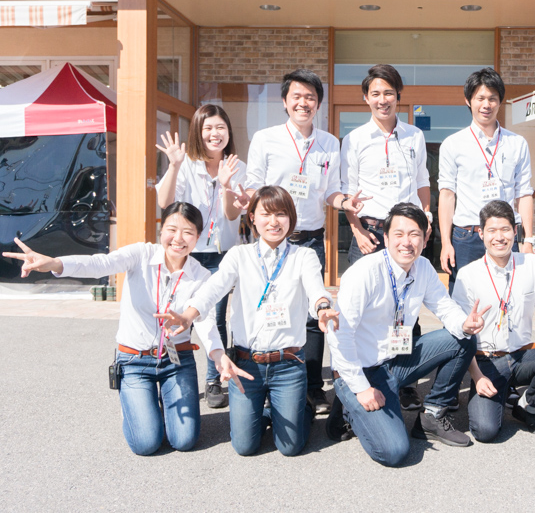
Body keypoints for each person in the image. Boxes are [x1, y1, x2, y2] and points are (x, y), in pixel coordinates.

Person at [3, 202, 250, 456]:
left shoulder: (201, 275)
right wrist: (55, 263)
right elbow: (100, 264)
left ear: (198, 237)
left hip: (177, 360)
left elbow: (205, 320)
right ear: (161, 230)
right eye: (172, 229)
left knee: (184, 440)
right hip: (134, 360)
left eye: (188, 232)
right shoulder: (140, 254)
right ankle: (137, 406)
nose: (178, 239)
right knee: (146, 443)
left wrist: (218, 355)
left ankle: (153, 406)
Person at [157, 186, 338, 457]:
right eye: (266, 214)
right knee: (244, 446)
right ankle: (272, 412)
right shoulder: (239, 255)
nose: (274, 222)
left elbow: (316, 290)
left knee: (290, 447)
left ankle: (303, 408)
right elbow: (213, 289)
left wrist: (322, 308)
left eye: (281, 214)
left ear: (291, 218)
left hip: (288, 364)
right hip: (246, 363)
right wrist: (188, 315)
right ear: (252, 217)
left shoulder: (304, 256)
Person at [243, 69, 368, 415]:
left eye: (310, 97)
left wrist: (345, 203)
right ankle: (265, 380)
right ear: (285, 102)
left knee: (314, 314)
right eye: (296, 96)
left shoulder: (329, 143)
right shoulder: (265, 139)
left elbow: (331, 191)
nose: (303, 103)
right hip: (271, 240)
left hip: (311, 239)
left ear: (318, 104)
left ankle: (312, 386)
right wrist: (247, 203)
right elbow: (254, 185)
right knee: (270, 306)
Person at [325, 203, 488, 467]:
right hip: (361, 370)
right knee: (395, 452)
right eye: (399, 234)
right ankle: (348, 407)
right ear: (385, 237)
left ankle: (432, 415)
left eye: (414, 234)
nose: (406, 242)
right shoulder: (364, 273)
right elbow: (339, 335)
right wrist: (362, 389)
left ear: (424, 239)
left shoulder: (423, 267)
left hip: (396, 361)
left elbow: (445, 308)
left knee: (462, 338)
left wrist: (465, 323)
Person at [340, 63, 431, 410]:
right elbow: (348, 191)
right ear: (366, 98)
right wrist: (357, 230)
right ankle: (357, 382)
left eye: (389, 93)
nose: (383, 100)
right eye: (376, 93)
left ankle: (405, 381)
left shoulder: (414, 136)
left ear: (398, 96)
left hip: (405, 234)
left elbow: (422, 181)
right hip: (370, 232)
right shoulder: (354, 139)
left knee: (407, 308)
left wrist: (426, 218)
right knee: (361, 312)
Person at [452, 200, 535, 442]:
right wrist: (477, 376)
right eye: (492, 230)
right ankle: (500, 391)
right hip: (486, 362)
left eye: (505, 229)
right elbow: (460, 336)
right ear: (481, 233)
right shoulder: (467, 275)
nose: (499, 237)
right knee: (485, 431)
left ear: (515, 231)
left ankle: (527, 408)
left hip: (522, 356)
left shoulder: (531, 264)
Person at [155, 104, 246, 409]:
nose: (214, 134)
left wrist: (226, 185)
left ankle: (212, 379)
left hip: (221, 256)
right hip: (186, 254)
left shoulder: (237, 166)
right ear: (198, 132)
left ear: (228, 132)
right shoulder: (186, 165)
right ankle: (172, 377)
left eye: (220, 127)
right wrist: (174, 165)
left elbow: (232, 215)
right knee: (181, 318)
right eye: (208, 128)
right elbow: (165, 202)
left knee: (214, 318)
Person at [439, 68, 535, 294]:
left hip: (505, 235)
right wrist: (445, 243)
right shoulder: (453, 144)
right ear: (468, 100)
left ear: (500, 102)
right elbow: (447, 195)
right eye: (480, 98)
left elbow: (524, 193)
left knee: (507, 297)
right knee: (464, 302)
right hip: (467, 237)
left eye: (492, 98)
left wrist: (528, 240)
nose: (486, 105)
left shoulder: (517, 143)